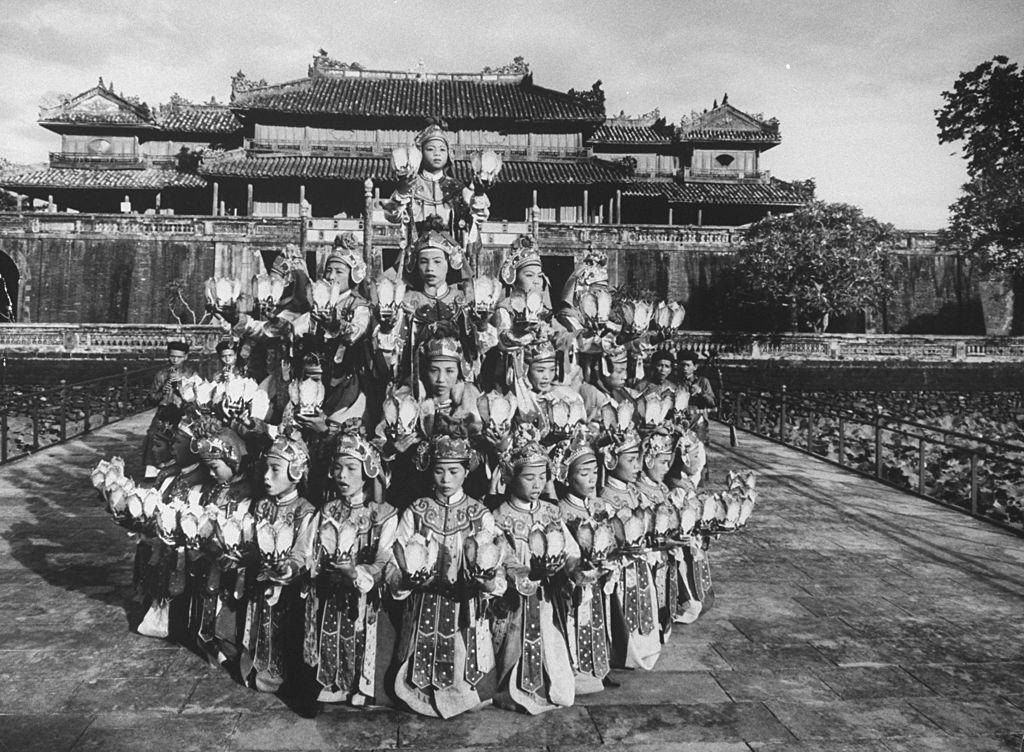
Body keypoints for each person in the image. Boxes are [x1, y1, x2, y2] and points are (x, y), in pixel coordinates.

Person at [386, 427, 504, 718]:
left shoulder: (480, 513)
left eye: (454, 471)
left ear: (467, 471)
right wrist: (406, 580)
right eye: (439, 471)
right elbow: (393, 558)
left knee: (463, 657)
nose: (446, 479)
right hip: (425, 601)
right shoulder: (417, 510)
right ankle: (418, 692)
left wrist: (487, 581)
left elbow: (497, 562)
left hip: (465, 604)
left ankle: (462, 693)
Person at [309, 427, 399, 706]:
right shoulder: (328, 510)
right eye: (338, 468)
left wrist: (357, 574)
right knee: (332, 632)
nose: (342, 475)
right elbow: (315, 551)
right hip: (334, 591)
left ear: (368, 471)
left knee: (363, 634)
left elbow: (384, 560)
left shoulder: (384, 514)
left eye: (351, 468)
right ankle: (335, 681)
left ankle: (363, 684)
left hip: (366, 595)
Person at [491, 431, 577, 714]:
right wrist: (524, 573)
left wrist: (567, 565)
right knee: (513, 643)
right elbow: (500, 555)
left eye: (542, 477)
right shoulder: (499, 516)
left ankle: (550, 686)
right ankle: (511, 690)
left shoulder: (551, 513)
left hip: (546, 597)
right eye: (529, 477)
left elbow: (570, 548)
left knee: (549, 638)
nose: (538, 484)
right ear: (511, 477)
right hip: (516, 599)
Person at [240, 433, 319, 697]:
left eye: (275, 470)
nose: (266, 476)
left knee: (285, 632)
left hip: (290, 588)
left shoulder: (304, 510)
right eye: (265, 469)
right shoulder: (261, 506)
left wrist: (289, 568)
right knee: (262, 626)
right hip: (263, 582)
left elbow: (303, 550)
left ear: (295, 472)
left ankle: (284, 674)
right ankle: (261, 668)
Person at [599, 405, 661, 671]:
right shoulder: (604, 498)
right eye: (631, 460)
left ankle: (644, 646)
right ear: (612, 461)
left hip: (639, 562)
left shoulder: (636, 492)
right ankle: (623, 650)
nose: (638, 467)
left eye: (638, 460)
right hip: (620, 567)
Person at [550, 428, 612, 695]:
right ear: (566, 475)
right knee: (574, 622)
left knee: (596, 621)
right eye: (583, 474)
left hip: (597, 582)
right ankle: (574, 670)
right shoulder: (560, 511)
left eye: (595, 473)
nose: (591, 479)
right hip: (571, 584)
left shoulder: (600, 506)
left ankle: (596, 668)